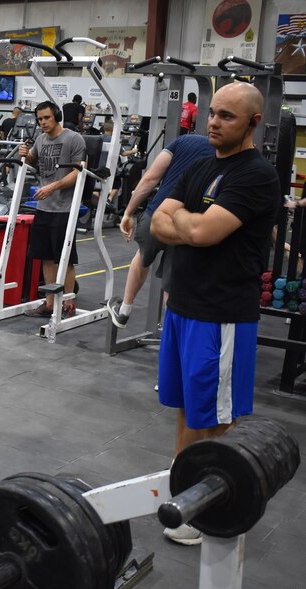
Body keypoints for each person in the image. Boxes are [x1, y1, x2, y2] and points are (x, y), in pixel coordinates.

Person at [150, 82, 279, 545]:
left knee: (217, 418)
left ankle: (206, 508)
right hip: (183, 307)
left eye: (226, 116)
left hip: (221, 315)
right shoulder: (201, 164)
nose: (214, 122)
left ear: (252, 123)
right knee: (187, 410)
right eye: (213, 113)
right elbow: (158, 221)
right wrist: (190, 226)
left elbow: (200, 230)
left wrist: (186, 224)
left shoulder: (257, 175)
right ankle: (184, 489)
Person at [106, 133, 215, 328]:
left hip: (158, 215)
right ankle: (168, 330)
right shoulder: (222, 153)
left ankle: (124, 311)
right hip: (186, 222)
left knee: (142, 257)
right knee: (172, 275)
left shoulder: (182, 141)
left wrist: (128, 212)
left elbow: (150, 179)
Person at [19, 101, 87, 319]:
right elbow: (32, 160)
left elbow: (78, 173)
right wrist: (25, 154)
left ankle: (68, 304)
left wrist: (53, 186)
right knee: (46, 257)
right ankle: (49, 304)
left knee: (64, 258)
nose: (43, 122)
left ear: (56, 116)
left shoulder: (73, 139)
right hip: (44, 207)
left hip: (64, 208)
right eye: (39, 119)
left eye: (47, 118)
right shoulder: (40, 139)